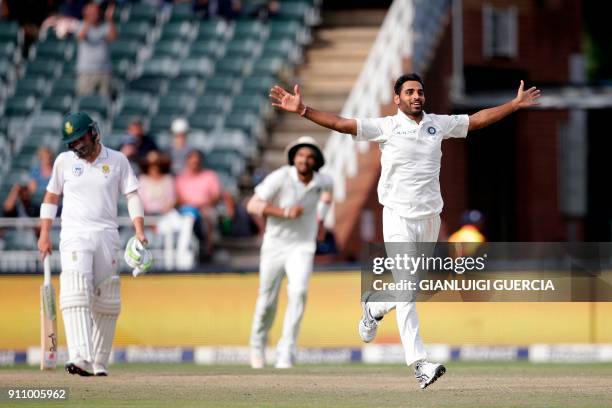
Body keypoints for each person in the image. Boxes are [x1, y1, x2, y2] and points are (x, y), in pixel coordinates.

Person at [269, 73, 540, 388]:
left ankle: (374, 306)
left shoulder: (437, 123)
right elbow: (343, 123)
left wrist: (515, 104)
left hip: (430, 218)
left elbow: (476, 120)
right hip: (398, 217)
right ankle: (420, 364)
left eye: (420, 92)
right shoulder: (386, 126)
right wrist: (304, 111)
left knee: (418, 288)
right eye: (409, 92)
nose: (416, 96)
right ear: (397, 98)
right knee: (409, 291)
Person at [37, 111, 150, 377]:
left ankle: (99, 361)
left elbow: (132, 196)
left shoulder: (118, 160)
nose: (78, 145)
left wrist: (139, 230)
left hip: (107, 235)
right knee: (75, 289)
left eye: (81, 138)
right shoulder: (64, 162)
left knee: (107, 299)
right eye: (73, 142)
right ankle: (80, 356)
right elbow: (51, 198)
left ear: (93, 132)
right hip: (75, 234)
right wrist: (44, 234)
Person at [246, 136, 333, 369]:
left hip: (303, 246)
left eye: (310, 156)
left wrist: (321, 220)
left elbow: (327, 195)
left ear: (315, 161)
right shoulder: (280, 177)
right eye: (301, 155)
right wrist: (283, 212)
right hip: (275, 245)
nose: (304, 159)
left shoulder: (323, 180)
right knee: (267, 300)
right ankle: (257, 345)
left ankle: (286, 351)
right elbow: (252, 205)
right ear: (294, 157)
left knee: (299, 292)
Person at [175, 149, 223, 260]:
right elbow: (178, 198)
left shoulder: (210, 175)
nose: (194, 165)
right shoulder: (181, 177)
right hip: (186, 210)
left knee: (209, 216)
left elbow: (215, 196)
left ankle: (207, 248)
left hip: (205, 208)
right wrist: (192, 206)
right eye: (192, 162)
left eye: (197, 162)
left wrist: (202, 205)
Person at [76, 2, 116, 97]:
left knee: (105, 101)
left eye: (96, 12)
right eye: (91, 12)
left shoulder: (106, 26)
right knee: (85, 101)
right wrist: (88, 21)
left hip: (104, 71)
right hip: (86, 72)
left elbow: (113, 38)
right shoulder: (81, 25)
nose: (95, 14)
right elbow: (81, 37)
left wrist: (110, 20)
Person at [138, 150, 176, 215]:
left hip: (164, 215)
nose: (154, 167)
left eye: (157, 164)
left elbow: (171, 199)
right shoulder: (143, 179)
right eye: (151, 164)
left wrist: (165, 211)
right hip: (146, 215)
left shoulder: (168, 179)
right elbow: (140, 200)